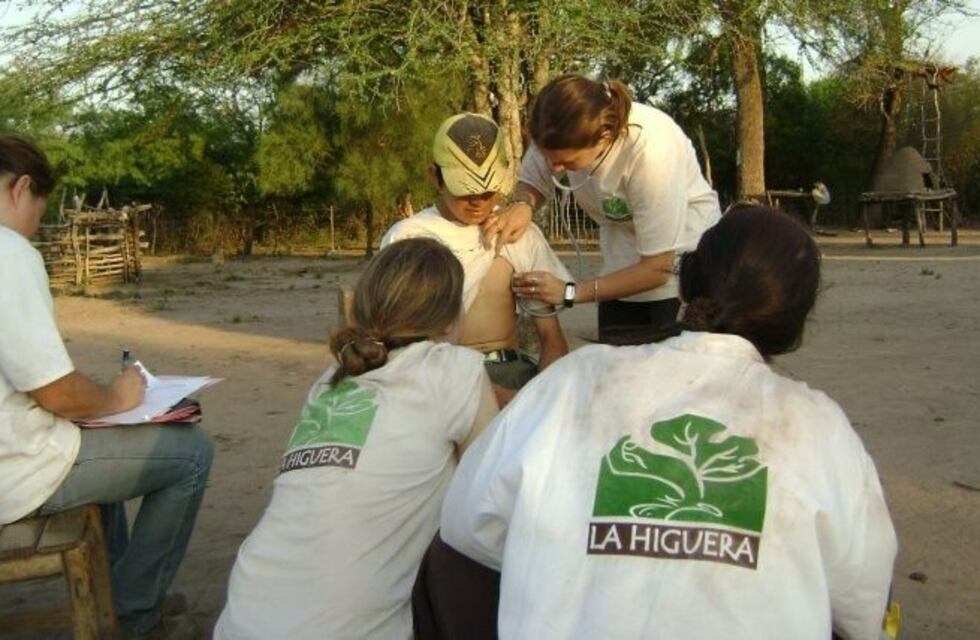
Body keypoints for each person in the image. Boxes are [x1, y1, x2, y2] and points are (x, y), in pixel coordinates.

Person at [428, 207, 897, 639]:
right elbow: (862, 607)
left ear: (685, 287)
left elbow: (465, 528)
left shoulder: (576, 380)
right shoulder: (816, 425)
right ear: (793, 325)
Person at [215, 237, 499, 639]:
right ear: (452, 317)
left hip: (242, 620)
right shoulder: (453, 368)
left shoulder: (330, 381)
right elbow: (489, 499)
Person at [0, 135, 214, 639]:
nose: (37, 225)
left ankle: (118, 595)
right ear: (21, 189)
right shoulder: (8, 252)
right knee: (192, 456)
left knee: (107, 447)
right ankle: (136, 617)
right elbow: (54, 392)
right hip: (14, 473)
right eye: (40, 210)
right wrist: (118, 398)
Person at [484, 74, 721, 340]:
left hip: (683, 268)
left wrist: (570, 292)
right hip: (621, 257)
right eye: (549, 158)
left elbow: (658, 268)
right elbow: (532, 182)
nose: (555, 169)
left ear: (604, 136)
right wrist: (523, 204)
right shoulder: (554, 132)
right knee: (614, 367)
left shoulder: (651, 152)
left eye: (567, 163)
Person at [382, 112, 570, 397]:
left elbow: (552, 341)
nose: (478, 202)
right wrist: (484, 396)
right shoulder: (409, 238)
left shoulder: (518, 234)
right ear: (435, 175)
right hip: (435, 380)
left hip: (510, 374)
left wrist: (536, 402)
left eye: (488, 191)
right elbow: (399, 346)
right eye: (465, 190)